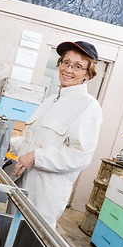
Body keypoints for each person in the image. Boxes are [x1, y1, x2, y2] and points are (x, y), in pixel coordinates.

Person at [9, 41, 103, 228]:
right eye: (66, 63)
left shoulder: (88, 106)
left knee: (30, 242)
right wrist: (7, 141)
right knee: (7, 234)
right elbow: (35, 140)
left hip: (45, 194)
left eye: (77, 66)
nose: (68, 69)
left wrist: (36, 157)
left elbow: (80, 155)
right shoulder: (52, 100)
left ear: (88, 73)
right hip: (22, 184)